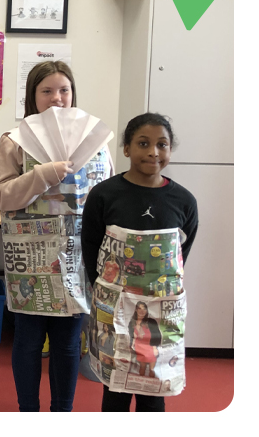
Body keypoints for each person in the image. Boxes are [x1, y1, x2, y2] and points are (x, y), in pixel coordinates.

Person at [0, 60, 114, 412]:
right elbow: (2, 196)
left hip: (77, 258)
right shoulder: (14, 141)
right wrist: (43, 174)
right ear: (32, 97)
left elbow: (107, 194)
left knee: (67, 343)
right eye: (46, 91)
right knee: (28, 341)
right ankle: (27, 412)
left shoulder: (95, 142)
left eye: (64, 90)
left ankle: (62, 413)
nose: (56, 98)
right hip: (30, 261)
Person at [82, 112, 198, 412]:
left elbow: (181, 256)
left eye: (162, 145)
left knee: (153, 389)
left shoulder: (184, 201)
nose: (153, 152)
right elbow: (91, 247)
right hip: (115, 308)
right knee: (116, 388)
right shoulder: (104, 195)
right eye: (143, 143)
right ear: (126, 148)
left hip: (160, 313)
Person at [129, 301, 161, 377]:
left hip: (150, 347)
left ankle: (151, 385)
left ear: (147, 311)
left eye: (144, 309)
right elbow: (131, 336)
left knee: (152, 370)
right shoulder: (132, 323)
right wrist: (130, 346)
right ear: (136, 310)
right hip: (139, 348)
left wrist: (154, 347)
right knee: (142, 368)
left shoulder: (151, 321)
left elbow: (157, 335)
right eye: (139, 308)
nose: (142, 311)